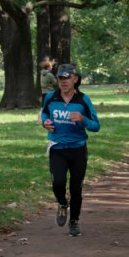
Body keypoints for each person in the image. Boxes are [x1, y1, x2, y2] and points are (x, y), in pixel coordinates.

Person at [41, 63, 100, 237]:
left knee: (76, 188)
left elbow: (96, 126)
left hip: (78, 150)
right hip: (57, 148)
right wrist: (46, 123)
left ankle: (74, 221)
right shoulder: (51, 98)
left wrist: (83, 119)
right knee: (58, 183)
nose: (64, 82)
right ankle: (61, 203)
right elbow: (44, 114)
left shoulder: (83, 100)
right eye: (60, 78)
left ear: (75, 79)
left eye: (67, 78)